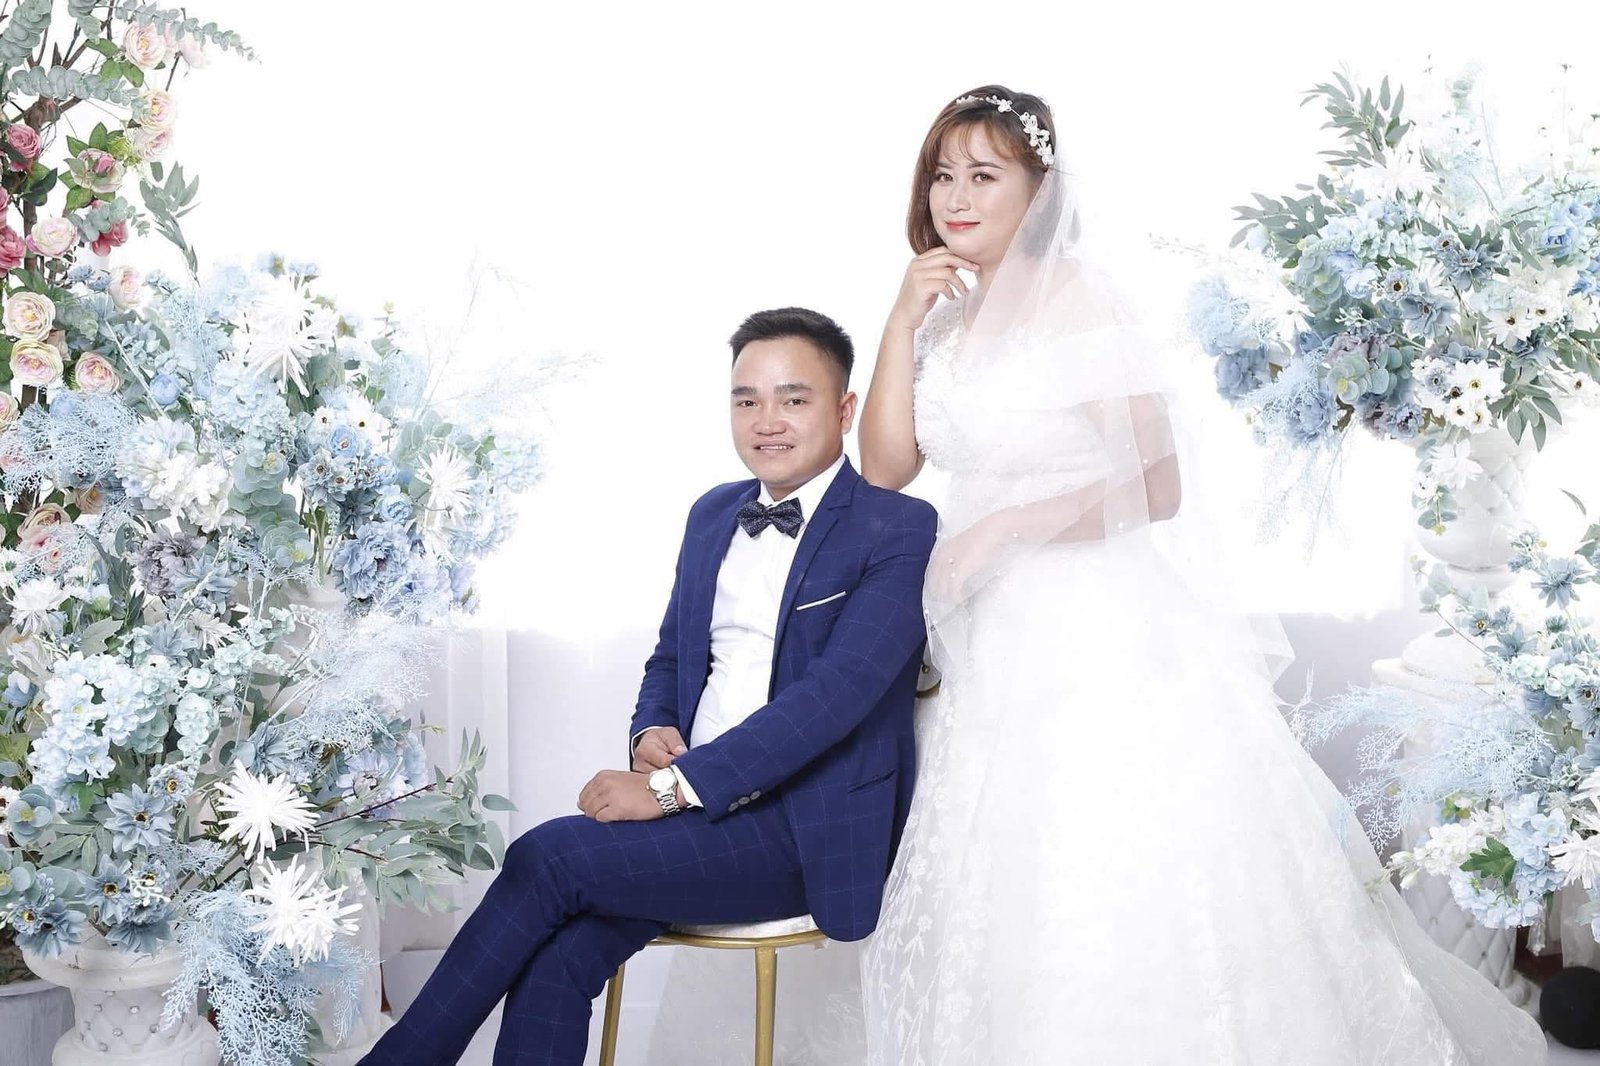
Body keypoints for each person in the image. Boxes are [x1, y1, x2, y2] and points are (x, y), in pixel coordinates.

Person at [854, 86, 1549, 1064]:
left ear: (1038, 189)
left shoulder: (1079, 300)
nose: (956, 197)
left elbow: (1158, 484)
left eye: (983, 174)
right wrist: (898, 320)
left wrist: (1005, 527)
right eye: (942, 175)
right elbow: (884, 467)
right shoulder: (940, 319)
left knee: (1100, 852)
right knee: (992, 859)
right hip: (978, 631)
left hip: (1091, 623)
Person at [360, 307, 936, 1064]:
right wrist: (651, 733)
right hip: (700, 814)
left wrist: (667, 791)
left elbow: (833, 699)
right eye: (746, 400)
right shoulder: (713, 513)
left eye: (793, 399)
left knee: (549, 857)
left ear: (844, 409)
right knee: (563, 950)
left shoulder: (899, 527)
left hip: (804, 831)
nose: (766, 421)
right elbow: (671, 655)